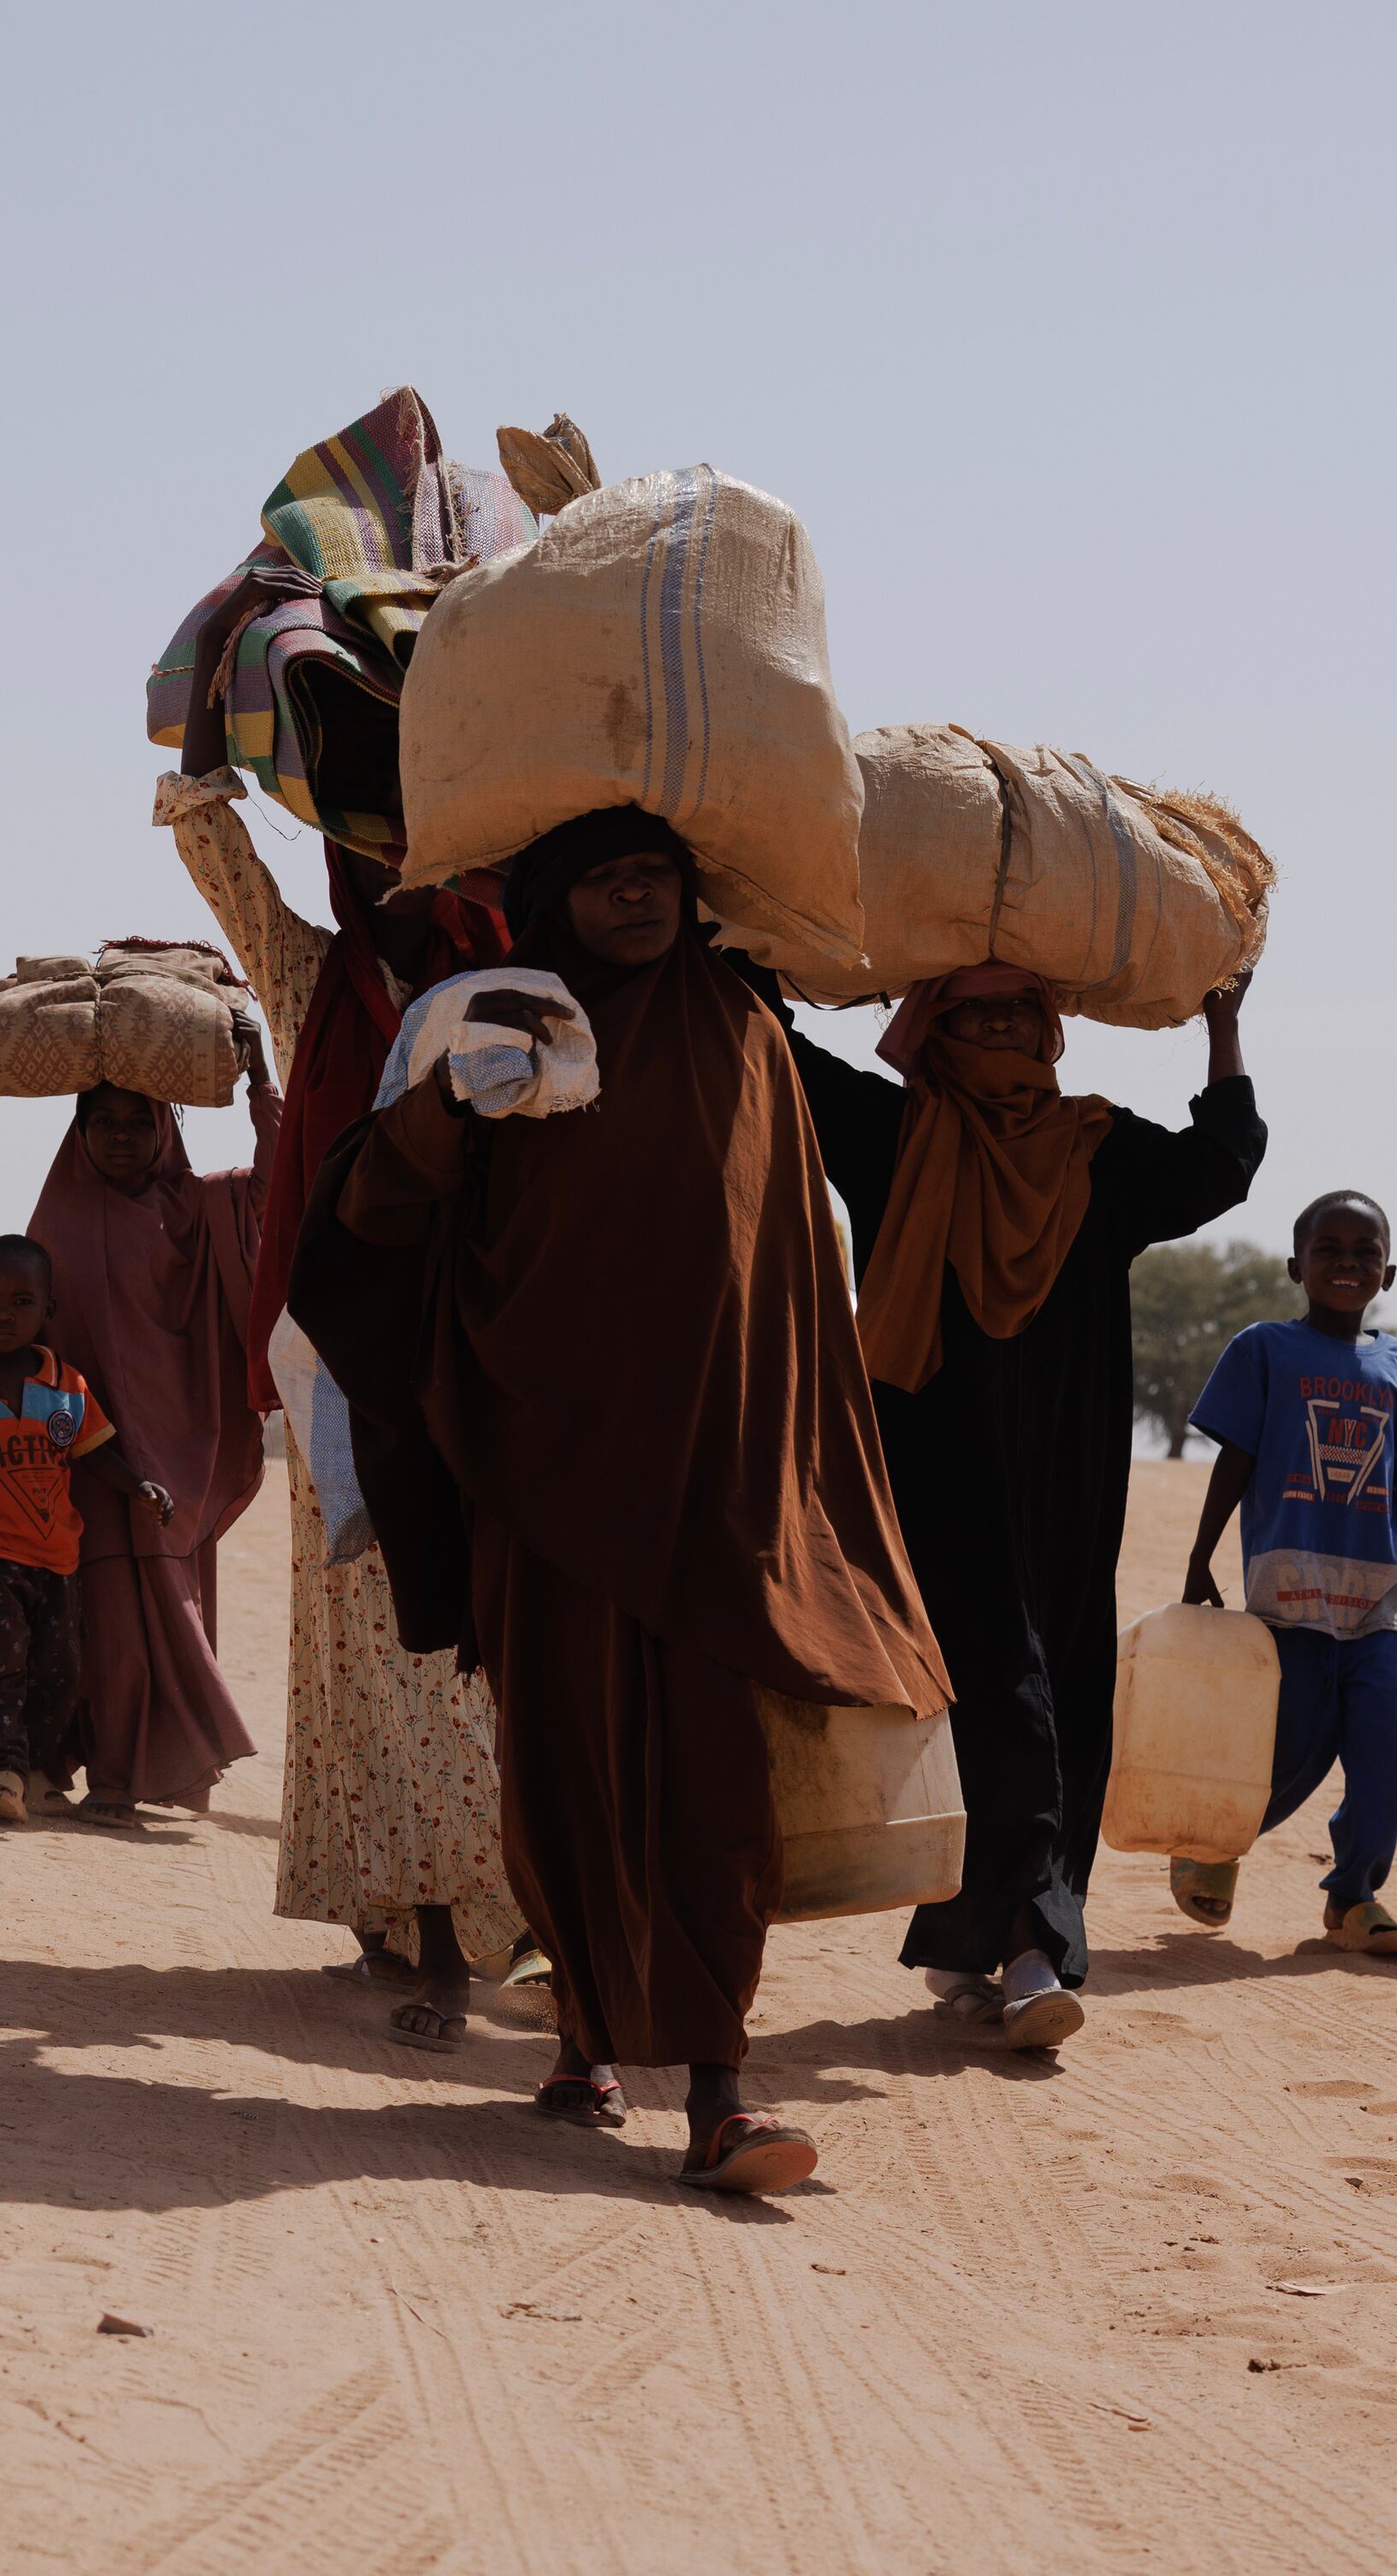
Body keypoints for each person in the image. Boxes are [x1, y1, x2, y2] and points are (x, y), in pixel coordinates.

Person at [292, 807, 948, 2194]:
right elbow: (368, 1218)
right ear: (557, 899)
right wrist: (442, 1110)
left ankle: (720, 2086)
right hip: (536, 1466)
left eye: (657, 873)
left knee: (715, 1786)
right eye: (606, 878)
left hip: (708, 1477)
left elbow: (781, 1261)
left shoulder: (741, 1026)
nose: (638, 896)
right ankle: (587, 2030)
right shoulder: (499, 1018)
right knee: (566, 1770)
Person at [778, 962, 1267, 2048]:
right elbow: (782, 1064)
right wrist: (760, 952)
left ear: (1052, 1035)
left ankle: (990, 1941)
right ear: (927, 1027)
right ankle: (1027, 1943)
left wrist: (1221, 1024)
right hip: (927, 1470)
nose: (997, 1024)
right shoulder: (893, 1133)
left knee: (1056, 1683)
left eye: (1017, 1010)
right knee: (995, 1687)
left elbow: (1219, 1166)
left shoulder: (1096, 1148)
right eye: (969, 1010)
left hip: (1066, 1471)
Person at [166, 769, 528, 2045]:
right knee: (370, 1653)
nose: (387, 874)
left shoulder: (507, 982)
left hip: (476, 1353)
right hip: (338, 1370)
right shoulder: (312, 983)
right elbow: (226, 875)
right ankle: (414, 1919)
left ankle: (500, 1915)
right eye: (361, 849)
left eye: (411, 851)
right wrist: (212, 766)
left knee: (475, 1650)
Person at [1175, 1190, 1397, 1957]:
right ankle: (1216, 1840)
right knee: (1295, 1744)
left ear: (1389, 1271)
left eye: (1364, 1251)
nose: (1347, 1262)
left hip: (1383, 1594)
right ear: (1296, 1265)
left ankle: (1355, 1898)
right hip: (1292, 1592)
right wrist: (1200, 1553)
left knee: (1388, 1742)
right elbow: (1234, 1457)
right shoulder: (1263, 1349)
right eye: (1329, 1248)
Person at [27, 1040, 273, 1825]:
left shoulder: (199, 1206)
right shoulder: (56, 1220)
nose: (123, 1137)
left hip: (179, 1458)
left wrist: (259, 1079)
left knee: (167, 1611)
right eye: (105, 1122)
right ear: (80, 1129)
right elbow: (26, 1342)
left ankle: (148, 1768)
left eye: (140, 1121)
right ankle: (100, 1771)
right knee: (99, 1625)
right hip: (90, 1462)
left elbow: (280, 1184)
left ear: (164, 1128)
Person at [0, 1234, 173, 1822]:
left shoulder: (66, 1386)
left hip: (58, 1557)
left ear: (48, 1311)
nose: (5, 1314)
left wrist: (139, 1486)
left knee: (59, 1667)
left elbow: (96, 1454)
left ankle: (39, 1771)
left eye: (22, 1302)